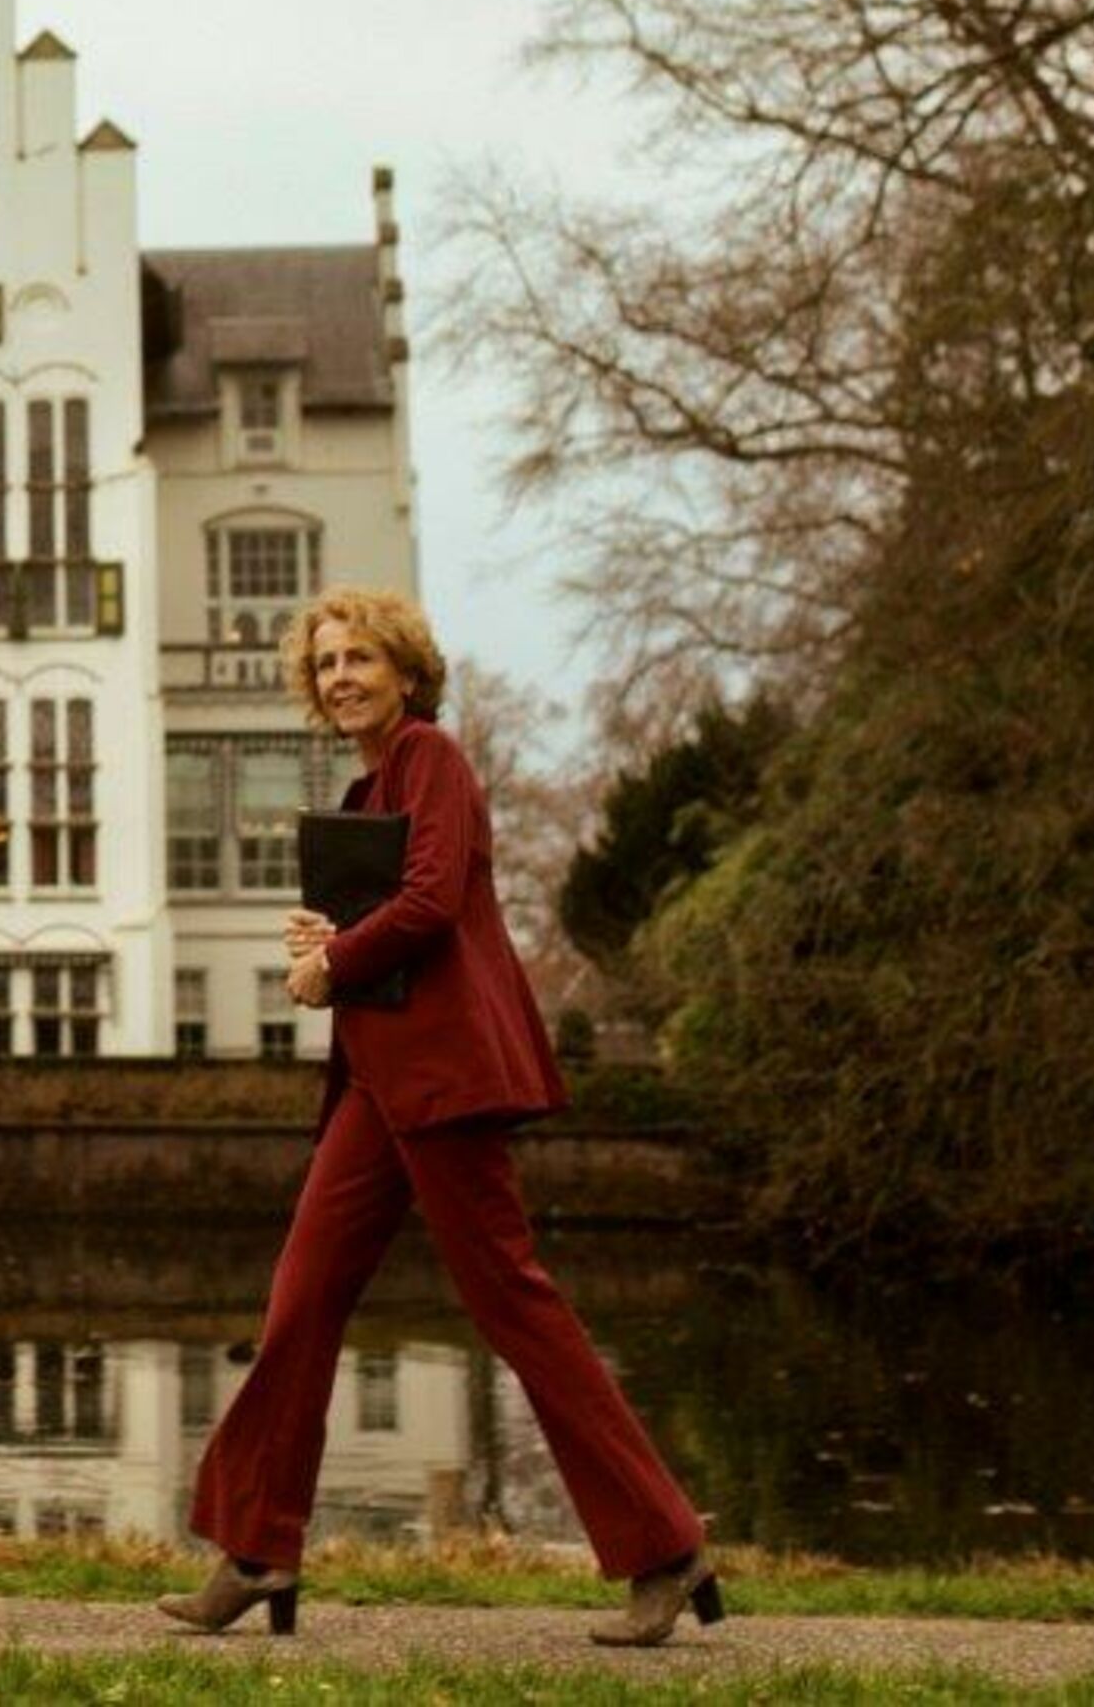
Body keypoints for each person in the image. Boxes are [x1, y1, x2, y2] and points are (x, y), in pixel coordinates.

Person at [155, 586, 722, 1649]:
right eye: (325, 663)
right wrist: (323, 935)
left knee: (515, 1305)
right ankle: (255, 1544)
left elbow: (429, 903)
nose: (340, 676)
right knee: (302, 1295)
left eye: (359, 657)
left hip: (446, 1078)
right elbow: (389, 912)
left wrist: (331, 959)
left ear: (405, 670)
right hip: (381, 1079)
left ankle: (665, 1543)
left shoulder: (431, 756)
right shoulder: (371, 782)